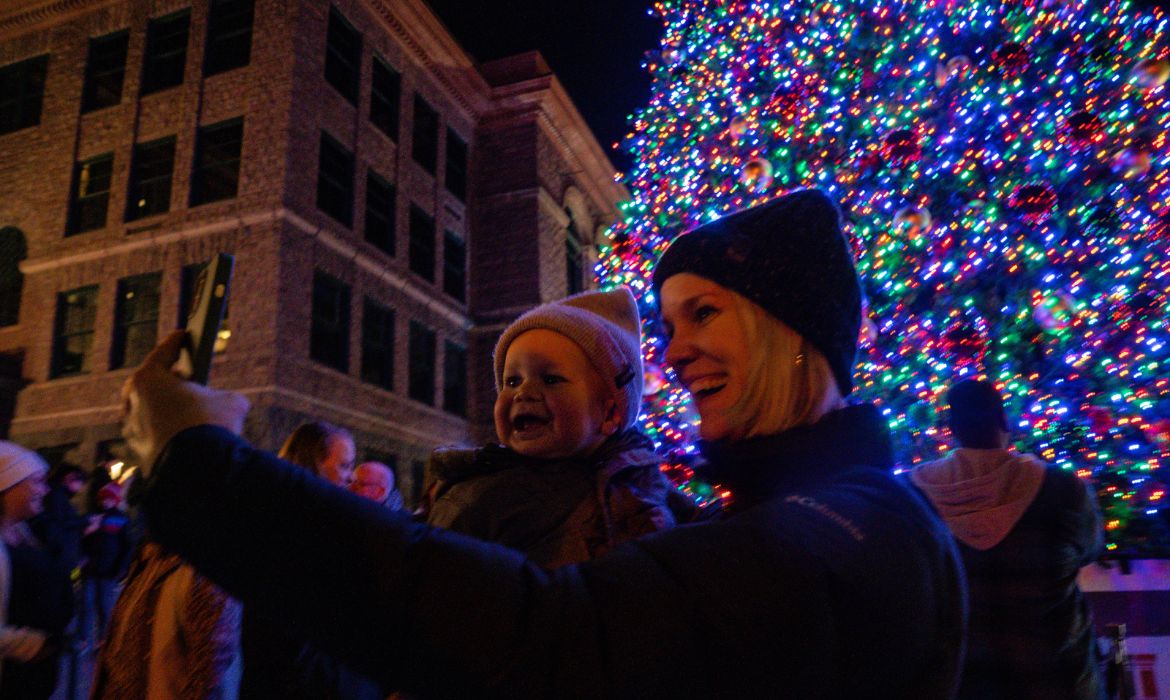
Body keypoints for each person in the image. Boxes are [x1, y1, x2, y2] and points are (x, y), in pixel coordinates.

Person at [121, 189, 966, 698]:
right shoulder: (778, 515)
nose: (675, 352)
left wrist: (206, 467)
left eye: (704, 313)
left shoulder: (846, 530)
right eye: (669, 325)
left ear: (794, 331)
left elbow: (547, 639)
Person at [424, 288, 686, 568]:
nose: (524, 392)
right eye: (512, 381)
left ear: (610, 412)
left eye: (551, 379)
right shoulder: (481, 498)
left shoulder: (643, 477)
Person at [909, 378, 1105, 700]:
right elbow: (1090, 549)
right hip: (1053, 684)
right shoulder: (1063, 491)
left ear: (952, 428)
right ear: (1003, 421)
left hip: (957, 685)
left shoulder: (914, 495)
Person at [241, 421, 381, 700]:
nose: (350, 478)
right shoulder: (295, 533)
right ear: (313, 463)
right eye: (343, 465)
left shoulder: (305, 525)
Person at [0, 442, 72, 699]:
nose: (45, 490)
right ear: (7, 485)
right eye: (37, 482)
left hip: (34, 678)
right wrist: (35, 645)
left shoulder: (25, 532)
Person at [80, 481, 133, 646]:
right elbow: (84, 540)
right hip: (90, 568)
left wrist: (121, 568)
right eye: (103, 498)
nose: (105, 502)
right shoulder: (92, 516)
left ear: (115, 499)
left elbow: (127, 546)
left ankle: (104, 638)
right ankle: (83, 637)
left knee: (104, 605)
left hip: (109, 569)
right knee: (86, 603)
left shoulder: (121, 519)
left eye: (109, 498)